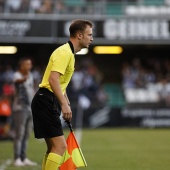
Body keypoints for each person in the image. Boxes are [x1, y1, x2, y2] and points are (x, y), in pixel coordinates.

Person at [31, 19, 93, 170]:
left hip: (45, 99)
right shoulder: (65, 52)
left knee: (53, 148)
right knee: (60, 147)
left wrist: (65, 100)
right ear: (79, 35)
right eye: (89, 34)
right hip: (46, 100)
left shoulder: (68, 53)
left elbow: (59, 82)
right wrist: (64, 104)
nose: (92, 38)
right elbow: (53, 80)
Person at [13, 58, 37, 166]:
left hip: (29, 108)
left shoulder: (30, 75)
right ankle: (17, 158)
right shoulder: (17, 75)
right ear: (22, 65)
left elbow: (31, 89)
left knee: (27, 134)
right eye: (27, 64)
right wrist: (25, 78)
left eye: (30, 64)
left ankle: (24, 157)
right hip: (20, 108)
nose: (29, 66)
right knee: (20, 133)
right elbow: (18, 82)